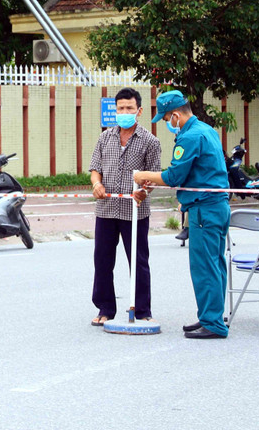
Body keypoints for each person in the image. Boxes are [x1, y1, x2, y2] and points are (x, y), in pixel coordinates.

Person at [134, 90, 230, 339]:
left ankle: (213, 323)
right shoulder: (207, 130)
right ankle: (211, 316)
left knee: (204, 266)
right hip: (216, 206)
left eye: (167, 120)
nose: (168, 124)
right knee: (216, 263)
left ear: (176, 115)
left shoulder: (190, 137)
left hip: (204, 210)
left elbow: (174, 176)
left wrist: (142, 175)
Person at [88, 87, 162, 327]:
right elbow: (95, 168)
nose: (124, 112)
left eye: (129, 108)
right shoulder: (104, 137)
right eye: (120, 108)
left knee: (138, 260)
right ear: (115, 110)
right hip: (106, 209)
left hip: (135, 211)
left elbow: (153, 176)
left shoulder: (150, 142)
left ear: (139, 111)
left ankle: (142, 311)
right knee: (102, 260)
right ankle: (105, 308)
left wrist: (144, 191)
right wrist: (97, 183)